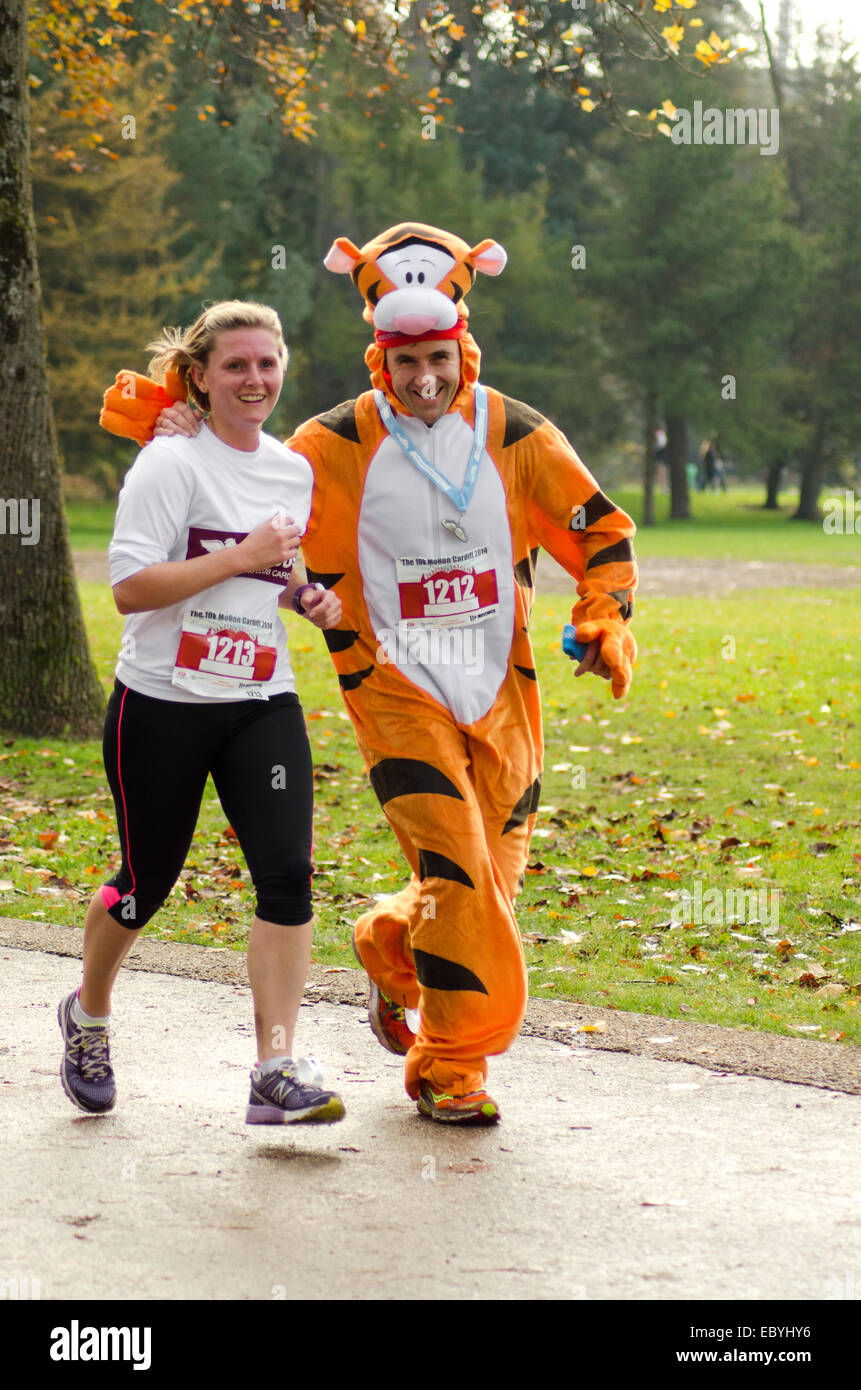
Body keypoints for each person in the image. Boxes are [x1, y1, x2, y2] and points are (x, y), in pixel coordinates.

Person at [100, 223, 638, 1126]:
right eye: (404, 362)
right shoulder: (330, 444)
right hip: (395, 693)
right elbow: (233, 468)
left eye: (437, 357)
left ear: (461, 346)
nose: (423, 378)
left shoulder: (517, 432)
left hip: (503, 694)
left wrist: (603, 617)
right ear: (377, 358)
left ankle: (390, 945)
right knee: (462, 881)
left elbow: (599, 530)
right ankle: (450, 1066)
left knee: (487, 888)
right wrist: (169, 415)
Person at [61, 300, 346, 1126]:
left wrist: (303, 595)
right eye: (235, 366)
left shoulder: (292, 469)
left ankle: (275, 1067)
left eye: (266, 363)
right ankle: (89, 1015)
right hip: (162, 703)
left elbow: (272, 574)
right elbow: (129, 588)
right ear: (199, 377)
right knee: (145, 883)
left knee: (288, 875)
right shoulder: (169, 462)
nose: (253, 380)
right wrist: (243, 554)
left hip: (260, 699)